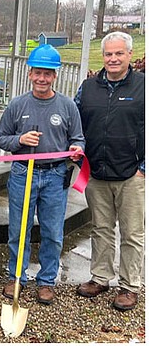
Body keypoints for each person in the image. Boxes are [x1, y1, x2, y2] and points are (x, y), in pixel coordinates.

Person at [0, 45, 84, 305]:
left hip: (55, 175)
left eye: (47, 74)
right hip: (23, 173)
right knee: (18, 229)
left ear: (55, 75)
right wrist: (20, 139)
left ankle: (46, 281)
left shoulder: (67, 106)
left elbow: (78, 138)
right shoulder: (18, 104)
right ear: (30, 73)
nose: (42, 79)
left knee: (53, 232)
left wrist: (77, 150)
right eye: (37, 73)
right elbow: (1, 138)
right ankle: (17, 277)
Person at [74, 31, 144, 312]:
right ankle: (101, 277)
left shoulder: (143, 87)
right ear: (102, 56)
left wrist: (143, 168)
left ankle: (129, 285)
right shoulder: (87, 88)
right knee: (100, 228)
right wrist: (78, 160)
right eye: (108, 54)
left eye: (119, 53)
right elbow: (74, 123)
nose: (113, 59)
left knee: (132, 233)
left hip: (131, 174)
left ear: (129, 55)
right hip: (95, 173)